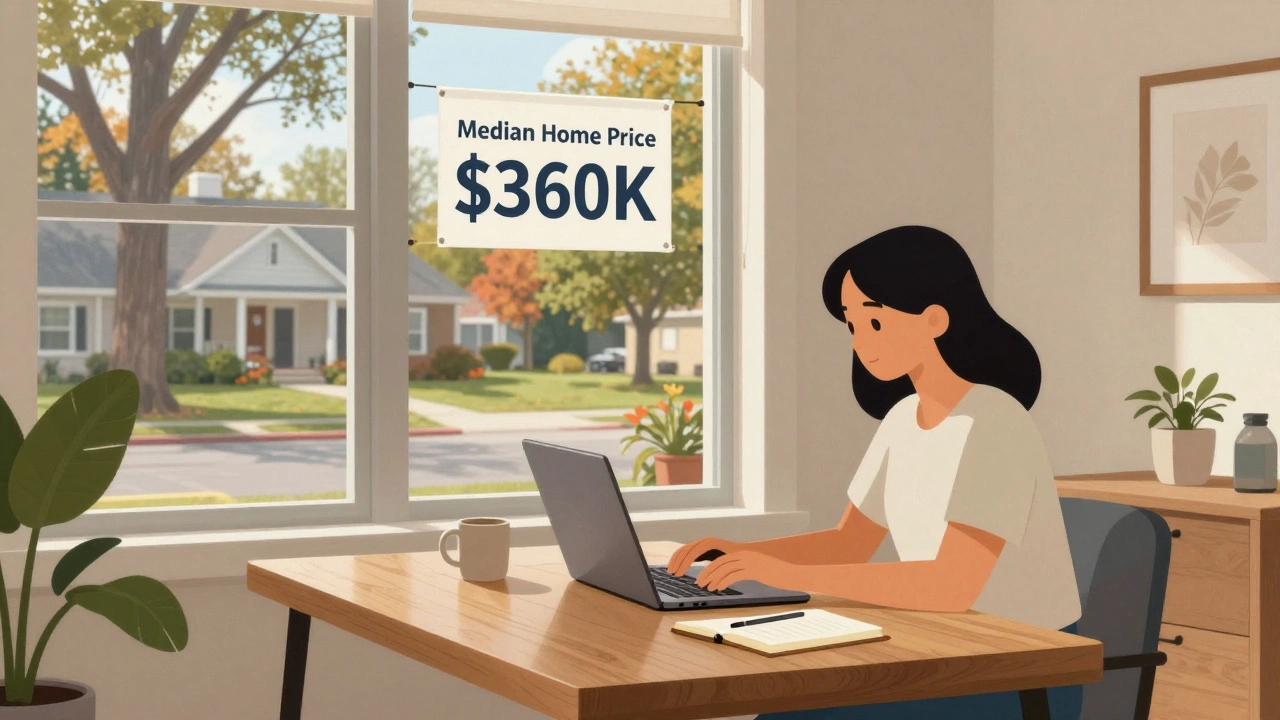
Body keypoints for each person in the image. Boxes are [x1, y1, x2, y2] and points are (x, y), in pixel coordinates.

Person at [667, 226, 1083, 719]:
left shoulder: (996, 423)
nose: (861, 341)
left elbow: (951, 585)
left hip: (1022, 669)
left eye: (875, 321)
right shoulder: (903, 418)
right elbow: (850, 543)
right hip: (945, 641)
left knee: (797, 710)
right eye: (852, 324)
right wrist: (744, 554)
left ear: (934, 319)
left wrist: (781, 573)